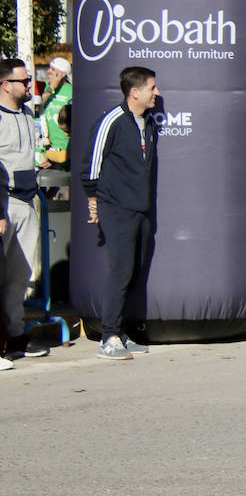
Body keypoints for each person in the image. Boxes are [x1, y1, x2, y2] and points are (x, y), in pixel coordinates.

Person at [80, 66, 160, 361]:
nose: (157, 93)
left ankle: (122, 333)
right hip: (116, 209)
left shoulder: (148, 122)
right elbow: (89, 167)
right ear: (135, 91)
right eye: (152, 88)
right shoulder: (111, 121)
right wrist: (93, 200)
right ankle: (108, 336)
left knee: (134, 273)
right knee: (120, 271)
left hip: (142, 211)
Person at [0, 59, 47, 361]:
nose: (30, 85)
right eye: (24, 81)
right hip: (4, 202)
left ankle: (15, 336)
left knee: (21, 275)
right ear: (5, 84)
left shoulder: (29, 113)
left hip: (28, 200)